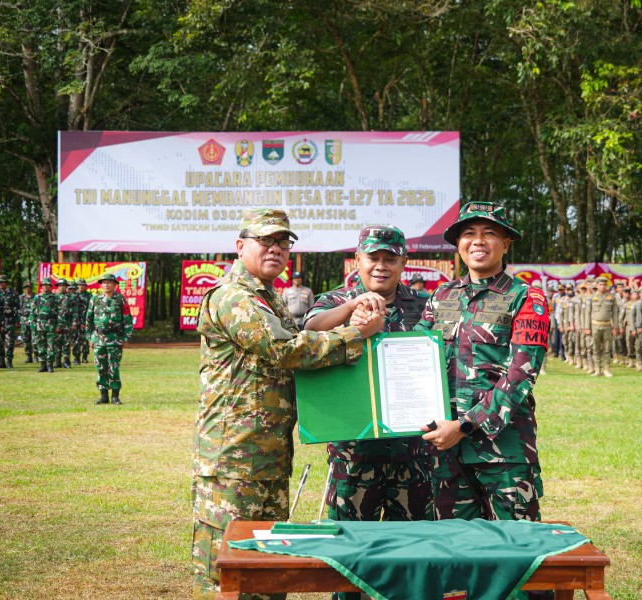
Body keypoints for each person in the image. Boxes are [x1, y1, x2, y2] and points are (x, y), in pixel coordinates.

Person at [191, 209, 383, 600]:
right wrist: (356, 333)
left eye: (284, 242)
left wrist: (348, 308)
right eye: (266, 241)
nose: (276, 249)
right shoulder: (233, 297)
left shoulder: (266, 296)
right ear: (240, 245)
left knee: (265, 566)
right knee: (227, 569)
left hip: (265, 453)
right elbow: (283, 350)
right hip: (234, 457)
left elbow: (297, 334)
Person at [304, 226, 432, 600]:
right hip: (353, 448)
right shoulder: (335, 299)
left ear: (403, 263)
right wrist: (351, 310)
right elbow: (309, 330)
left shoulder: (424, 304)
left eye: (390, 259)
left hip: (411, 448)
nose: (381, 266)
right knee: (349, 551)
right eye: (372, 258)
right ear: (357, 260)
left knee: (409, 551)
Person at [416, 202, 550, 525]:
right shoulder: (441, 298)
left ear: (505, 244)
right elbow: (414, 356)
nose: (478, 241)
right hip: (446, 454)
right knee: (455, 551)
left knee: (515, 550)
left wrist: (463, 427)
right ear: (458, 244)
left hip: (503, 453)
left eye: (489, 233)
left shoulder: (526, 298)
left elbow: (519, 376)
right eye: (469, 234)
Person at [86, 273, 133, 404]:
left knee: (114, 367)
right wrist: (90, 337)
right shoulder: (95, 299)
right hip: (99, 339)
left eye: (109, 282)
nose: (106, 285)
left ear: (114, 284)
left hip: (115, 338)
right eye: (104, 282)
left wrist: (125, 337)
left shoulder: (120, 300)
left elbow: (127, 319)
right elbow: (88, 320)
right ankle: (104, 396)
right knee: (101, 367)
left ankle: (115, 396)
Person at [589, 278, 620, 377]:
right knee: (596, 348)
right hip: (595, 326)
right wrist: (586, 327)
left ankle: (607, 369)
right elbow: (587, 313)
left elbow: (615, 314)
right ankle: (597, 369)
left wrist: (615, 327)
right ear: (597, 285)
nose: (602, 286)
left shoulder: (611, 298)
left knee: (607, 348)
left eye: (604, 285)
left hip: (607, 327)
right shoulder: (591, 297)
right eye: (600, 284)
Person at [31, 277, 59, 373]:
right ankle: (43, 365)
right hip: (39, 325)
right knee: (40, 345)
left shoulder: (55, 297)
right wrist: (32, 324)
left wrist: (59, 325)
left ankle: (50, 365)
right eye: (44, 285)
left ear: (50, 287)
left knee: (51, 345)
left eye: (47, 285)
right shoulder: (37, 297)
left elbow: (60, 312)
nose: (45, 287)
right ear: (41, 286)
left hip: (51, 325)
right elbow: (33, 312)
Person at [0, 274, 19, 369]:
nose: (0, 284)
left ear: (6, 283)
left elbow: (17, 309)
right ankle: (1, 361)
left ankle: (9, 361)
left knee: (10, 342)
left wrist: (17, 321)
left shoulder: (13, 293)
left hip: (9, 321)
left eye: (2, 282)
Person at [76, 278, 92, 364]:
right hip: (76, 322)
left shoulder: (89, 296)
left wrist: (88, 322)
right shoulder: (74, 295)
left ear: (85, 286)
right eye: (79, 285)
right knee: (77, 340)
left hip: (87, 321)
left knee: (86, 340)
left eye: (82, 285)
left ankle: (85, 356)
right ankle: (77, 357)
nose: (81, 286)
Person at [19, 282, 35, 363]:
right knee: (26, 339)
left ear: (31, 288)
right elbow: (17, 309)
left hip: (34, 321)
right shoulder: (21, 298)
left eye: (29, 287)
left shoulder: (36, 297)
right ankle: (29, 356)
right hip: (24, 322)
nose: (27, 289)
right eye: (26, 287)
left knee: (35, 339)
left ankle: (36, 355)